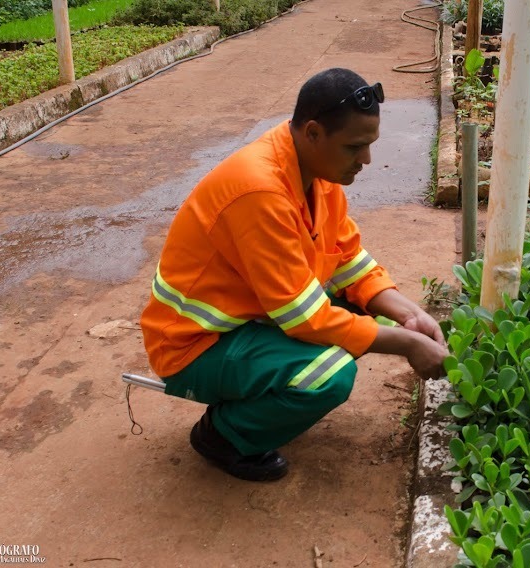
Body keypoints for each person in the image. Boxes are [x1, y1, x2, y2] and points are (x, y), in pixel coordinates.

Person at [140, 68, 449, 482]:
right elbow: (304, 318)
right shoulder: (260, 191)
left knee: (359, 320)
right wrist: (407, 344)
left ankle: (261, 400)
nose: (367, 161)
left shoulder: (316, 171)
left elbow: (347, 260)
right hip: (193, 346)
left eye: (369, 145)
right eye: (355, 147)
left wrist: (410, 315)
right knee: (329, 375)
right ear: (314, 133)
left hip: (245, 321)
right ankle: (223, 436)